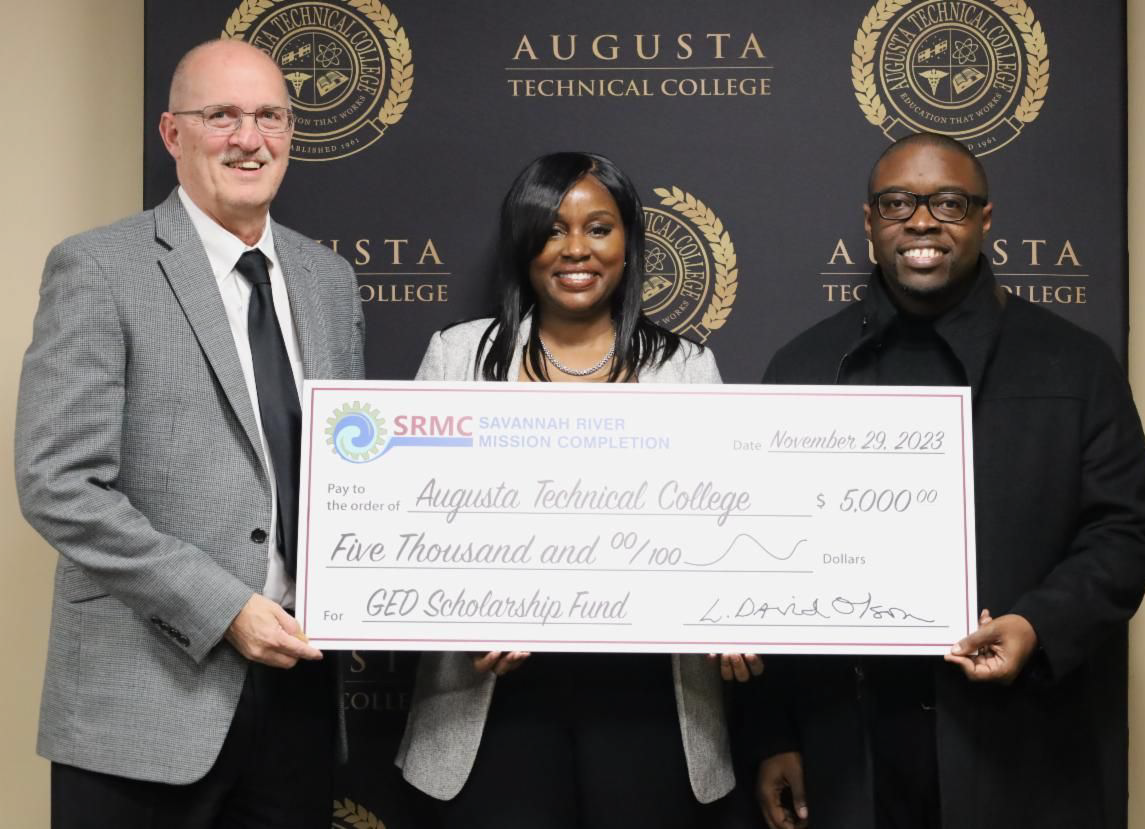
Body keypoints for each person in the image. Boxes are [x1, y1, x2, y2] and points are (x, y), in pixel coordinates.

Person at [753, 133, 1145, 829]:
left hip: (1019, 746)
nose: (921, 222)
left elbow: (1126, 529)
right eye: (897, 204)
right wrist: (774, 735)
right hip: (847, 749)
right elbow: (758, 558)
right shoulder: (803, 366)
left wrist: (1037, 624)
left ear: (985, 218)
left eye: (948, 202)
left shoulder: (1075, 364)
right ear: (868, 223)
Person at [15, 39, 364, 829]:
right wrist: (223, 605)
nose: (251, 138)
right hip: (146, 700)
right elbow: (58, 484)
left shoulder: (327, 280)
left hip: (299, 694)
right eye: (223, 116)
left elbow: (349, 470)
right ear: (173, 134)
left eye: (271, 115)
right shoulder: (100, 268)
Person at [396, 151, 756, 828]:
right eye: (552, 228)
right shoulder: (458, 357)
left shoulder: (686, 367)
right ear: (523, 243)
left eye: (599, 227)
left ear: (629, 243)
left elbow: (725, 521)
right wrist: (466, 605)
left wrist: (738, 608)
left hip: (652, 704)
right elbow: (411, 523)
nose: (575, 249)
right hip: (493, 698)